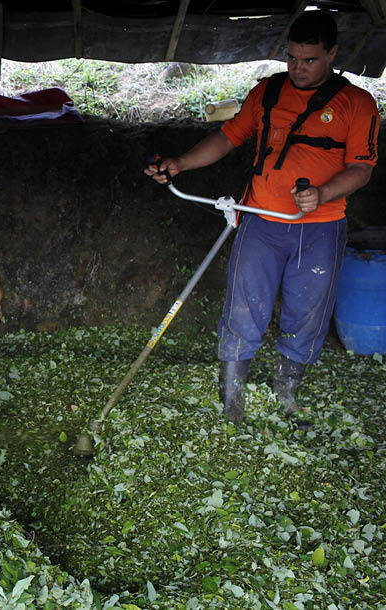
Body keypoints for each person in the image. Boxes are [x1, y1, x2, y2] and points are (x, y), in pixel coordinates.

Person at [146, 11, 379, 424]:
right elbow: (227, 136)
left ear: (332, 54)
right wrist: (181, 163)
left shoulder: (358, 104)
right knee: (243, 307)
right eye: (291, 58)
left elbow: (361, 169)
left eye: (309, 60)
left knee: (306, 312)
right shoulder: (268, 93)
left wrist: (321, 193)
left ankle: (285, 393)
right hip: (260, 219)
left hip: (321, 229)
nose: (298, 69)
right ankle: (232, 400)